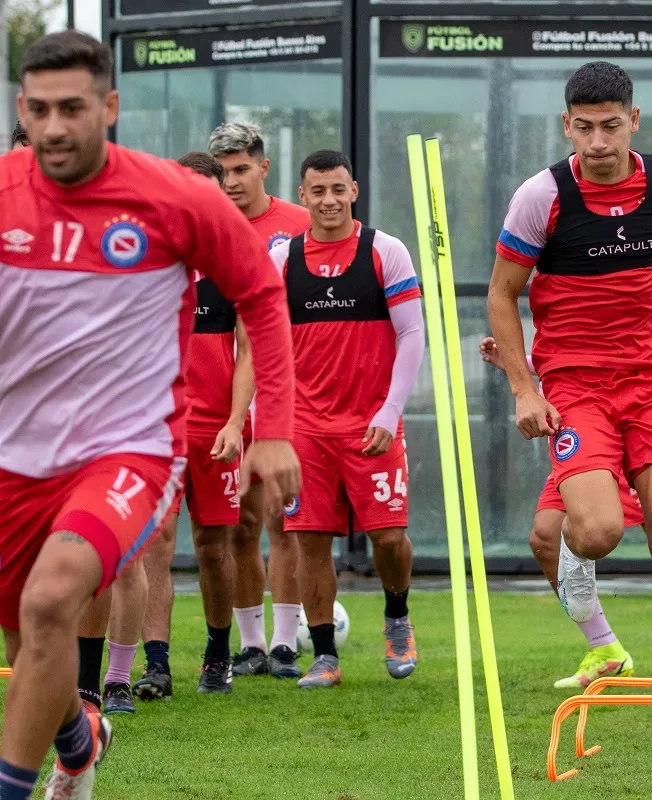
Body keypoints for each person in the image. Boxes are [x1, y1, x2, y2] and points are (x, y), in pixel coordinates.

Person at [0, 30, 300, 800]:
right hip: (17, 454)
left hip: (130, 449)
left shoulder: (176, 196)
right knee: (31, 631)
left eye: (72, 107)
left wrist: (274, 432)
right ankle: (79, 737)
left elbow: (262, 299)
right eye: (37, 110)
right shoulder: (3, 191)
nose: (55, 127)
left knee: (48, 599)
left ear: (110, 107)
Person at [487, 61, 652, 773]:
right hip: (577, 385)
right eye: (584, 127)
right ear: (568, 126)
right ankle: (576, 542)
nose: (598, 140)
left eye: (611, 125)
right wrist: (524, 387)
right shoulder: (542, 197)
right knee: (595, 533)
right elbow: (503, 295)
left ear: (634, 119)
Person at [268, 149, 424, 689]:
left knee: (389, 537)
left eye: (339, 189)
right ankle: (326, 658)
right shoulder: (283, 260)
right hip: (305, 430)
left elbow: (411, 334)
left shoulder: (385, 251)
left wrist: (390, 409)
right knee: (309, 540)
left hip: (373, 424)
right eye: (318, 191)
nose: (329, 200)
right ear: (303, 195)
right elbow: (263, 342)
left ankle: (397, 618)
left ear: (354, 190)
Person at [123, 151, 255, 700]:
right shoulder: (149, 260)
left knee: (213, 548)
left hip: (216, 432)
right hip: (157, 429)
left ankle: (219, 655)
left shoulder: (235, 258)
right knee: (153, 545)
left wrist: (233, 420)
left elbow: (248, 349)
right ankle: (156, 666)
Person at [209, 122, 311, 678]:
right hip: (222, 399)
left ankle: (285, 642)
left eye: (241, 170)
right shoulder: (205, 227)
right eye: (222, 172)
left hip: (280, 397)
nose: (231, 183)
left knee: (284, 522)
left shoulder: (297, 227)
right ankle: (249, 645)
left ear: (263, 168)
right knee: (239, 526)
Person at [479, 338, 639, 688]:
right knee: (546, 536)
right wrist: (518, 364)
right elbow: (573, 351)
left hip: (627, 421)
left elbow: (617, 353)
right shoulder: (566, 297)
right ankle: (606, 648)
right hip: (579, 424)